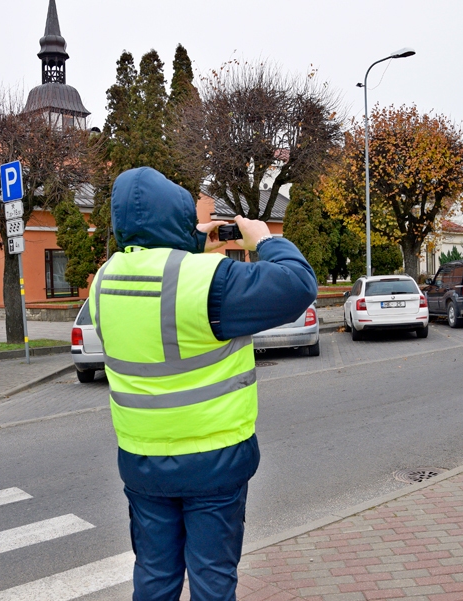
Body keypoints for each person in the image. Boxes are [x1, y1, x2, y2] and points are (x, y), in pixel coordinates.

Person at [89, 167, 317, 601]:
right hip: (214, 462)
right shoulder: (209, 280)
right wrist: (264, 239)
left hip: (142, 461)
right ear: (177, 215)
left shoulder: (104, 281)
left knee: (154, 577)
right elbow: (297, 285)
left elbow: (156, 273)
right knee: (212, 581)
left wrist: (190, 242)